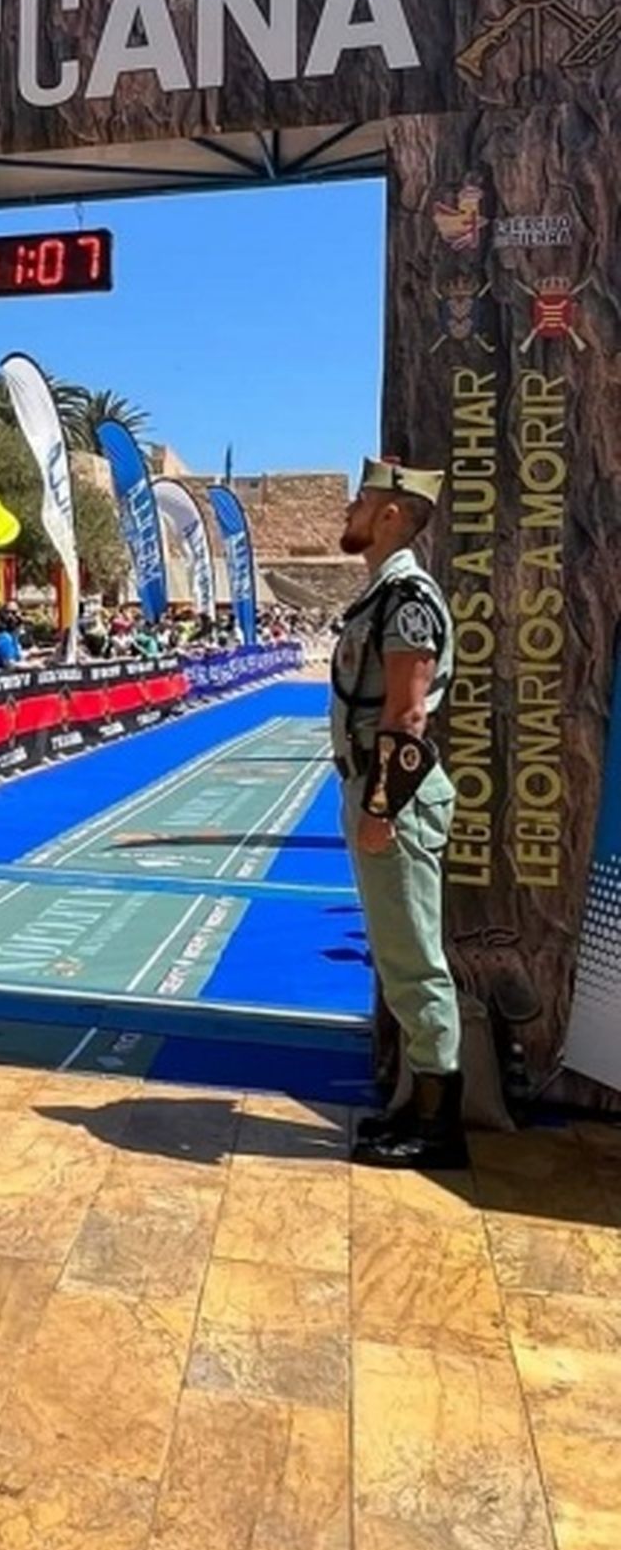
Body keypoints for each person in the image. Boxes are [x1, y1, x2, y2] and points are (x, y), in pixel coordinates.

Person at [330, 457, 463, 1170]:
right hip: (378, 795)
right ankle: (417, 1105)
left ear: (390, 516)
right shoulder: (381, 595)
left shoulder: (407, 599)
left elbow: (407, 716)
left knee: (414, 962)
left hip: (397, 801)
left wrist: (381, 809)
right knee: (399, 956)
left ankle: (440, 1129)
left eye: (361, 501)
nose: (348, 510)